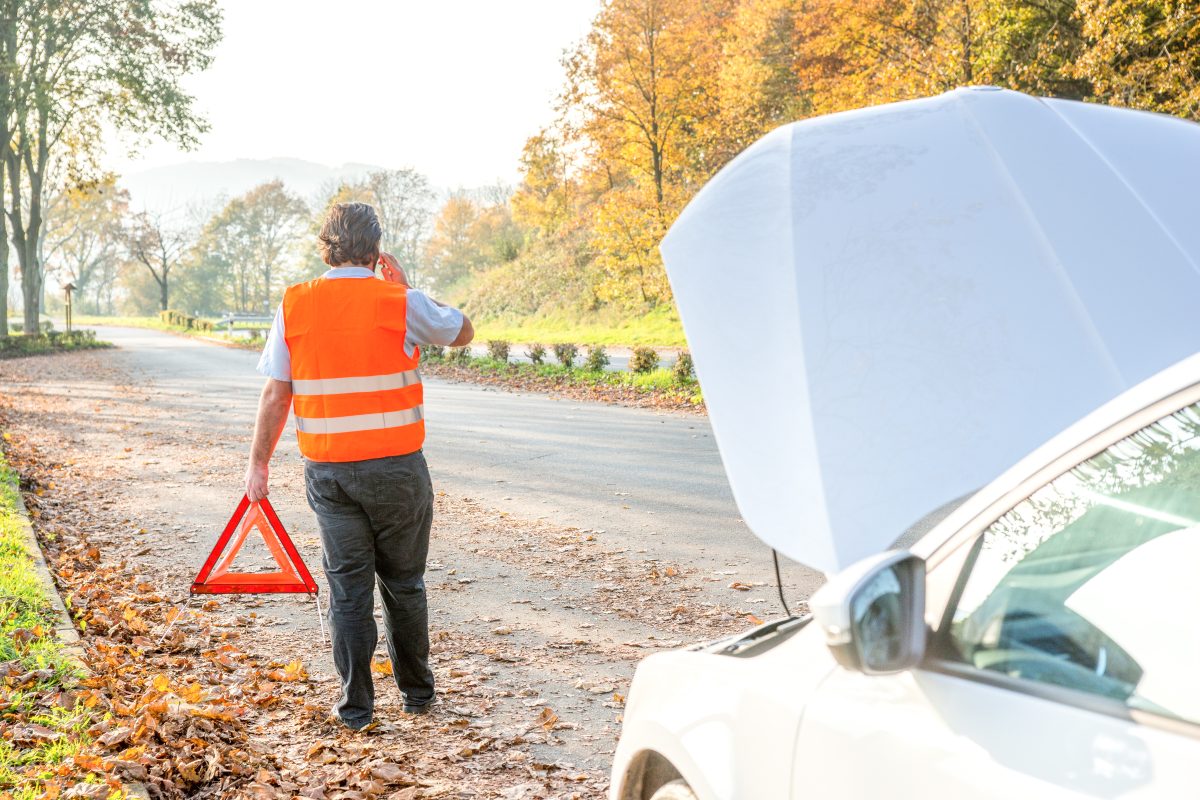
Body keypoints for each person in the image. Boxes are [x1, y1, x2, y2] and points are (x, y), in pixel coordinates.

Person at [244, 202, 473, 729]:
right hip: (398, 471)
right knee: (405, 585)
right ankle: (417, 695)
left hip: (329, 473)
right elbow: (462, 332)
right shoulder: (398, 300)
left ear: (325, 246)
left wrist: (259, 465)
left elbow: (277, 395)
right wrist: (409, 289)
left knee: (348, 591)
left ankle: (356, 710)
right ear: (376, 250)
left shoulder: (295, 304)